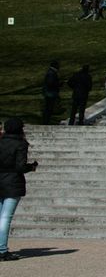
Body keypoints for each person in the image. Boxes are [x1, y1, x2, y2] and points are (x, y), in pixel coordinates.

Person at [0, 118, 38, 261]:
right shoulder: (20, 144)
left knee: (0, 216)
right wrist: (31, 167)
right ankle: (2, 249)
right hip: (12, 182)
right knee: (5, 218)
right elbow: (20, 166)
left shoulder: (1, 141)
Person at [41, 61, 61, 125]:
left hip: (49, 92)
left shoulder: (51, 72)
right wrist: (58, 84)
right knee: (49, 108)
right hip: (50, 93)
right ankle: (46, 121)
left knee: (48, 108)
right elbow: (50, 83)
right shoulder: (51, 73)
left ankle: (46, 121)